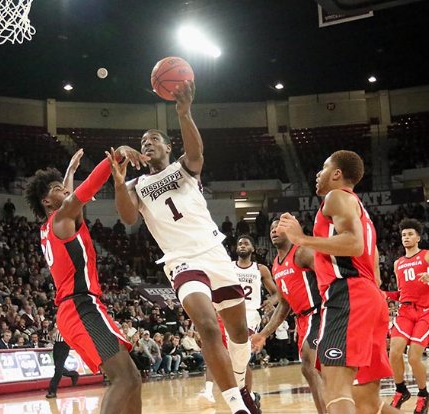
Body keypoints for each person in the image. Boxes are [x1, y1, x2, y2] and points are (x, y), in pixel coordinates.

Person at [108, 80, 258, 414]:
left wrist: (183, 111)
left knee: (239, 335)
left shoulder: (183, 169)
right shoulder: (135, 184)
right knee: (206, 326)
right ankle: (238, 407)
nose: (147, 144)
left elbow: (196, 153)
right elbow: (129, 217)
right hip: (181, 261)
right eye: (143, 141)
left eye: (154, 139)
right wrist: (119, 181)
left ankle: (241, 385)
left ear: (167, 146)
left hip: (214, 252)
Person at [25, 147, 144, 414]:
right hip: (80, 307)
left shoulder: (51, 225)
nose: (65, 190)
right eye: (57, 188)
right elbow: (84, 191)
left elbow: (69, 198)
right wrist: (115, 158)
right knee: (124, 379)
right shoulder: (62, 217)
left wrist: (68, 173)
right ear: (46, 201)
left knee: (133, 378)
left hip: (79, 308)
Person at [276, 150, 397, 414]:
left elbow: (354, 244)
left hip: (348, 296)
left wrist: (301, 239)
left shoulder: (336, 196)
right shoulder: (362, 211)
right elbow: (372, 261)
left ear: (337, 174)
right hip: (370, 299)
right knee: (368, 404)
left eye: (323, 167)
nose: (318, 174)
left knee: (335, 388)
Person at [252, 220, 325, 413]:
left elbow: (329, 276)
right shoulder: (276, 266)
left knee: (309, 366)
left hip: (319, 313)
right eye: (271, 228)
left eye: (279, 227)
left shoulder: (302, 252)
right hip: (302, 320)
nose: (274, 230)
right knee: (317, 370)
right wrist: (264, 334)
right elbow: (284, 304)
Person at [388, 218, 429, 413]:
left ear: (418, 237)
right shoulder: (398, 263)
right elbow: (402, 292)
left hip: (424, 312)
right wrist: (384, 295)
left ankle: (423, 394)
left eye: (410, 234)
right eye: (403, 234)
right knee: (394, 353)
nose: (406, 237)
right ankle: (401, 390)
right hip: (405, 311)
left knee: (413, 358)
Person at [233, 235, 277, 399]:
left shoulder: (260, 269)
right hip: (231, 312)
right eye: (240, 244)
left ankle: (246, 395)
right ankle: (249, 395)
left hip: (251, 313)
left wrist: (271, 302)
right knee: (236, 357)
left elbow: (276, 293)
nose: (242, 246)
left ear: (252, 249)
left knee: (240, 353)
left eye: (246, 243)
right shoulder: (229, 267)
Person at [46, 324, 79, 398]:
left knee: (58, 370)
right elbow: (50, 335)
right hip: (56, 345)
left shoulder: (67, 323)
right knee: (58, 368)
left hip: (64, 345)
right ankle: (73, 374)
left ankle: (52, 391)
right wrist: (54, 329)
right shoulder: (53, 324)